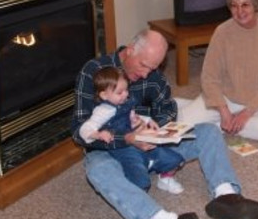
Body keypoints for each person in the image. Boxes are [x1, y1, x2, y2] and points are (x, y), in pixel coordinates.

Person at [72, 29, 258, 219]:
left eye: (153, 68)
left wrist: (154, 127)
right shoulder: (93, 72)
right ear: (130, 50)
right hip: (114, 152)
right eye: (144, 65)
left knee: (209, 131)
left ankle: (226, 196)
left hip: (155, 147)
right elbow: (79, 133)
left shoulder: (153, 76)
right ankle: (157, 216)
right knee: (98, 170)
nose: (147, 74)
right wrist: (128, 139)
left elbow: (168, 109)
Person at [177, 0, 258, 142]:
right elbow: (209, 77)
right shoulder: (222, 32)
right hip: (226, 100)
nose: (239, 12)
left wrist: (247, 113)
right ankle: (222, 120)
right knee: (181, 124)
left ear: (256, 4)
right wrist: (223, 111)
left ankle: (218, 128)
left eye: (245, 5)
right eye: (234, 5)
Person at [79, 66, 185, 195]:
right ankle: (134, 190)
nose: (125, 94)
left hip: (138, 138)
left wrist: (146, 121)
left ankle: (165, 178)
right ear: (104, 95)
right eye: (119, 92)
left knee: (172, 158)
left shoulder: (126, 103)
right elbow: (84, 129)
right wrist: (98, 134)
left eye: (126, 90)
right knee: (139, 176)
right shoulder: (102, 111)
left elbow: (134, 117)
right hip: (122, 149)